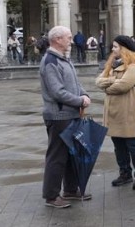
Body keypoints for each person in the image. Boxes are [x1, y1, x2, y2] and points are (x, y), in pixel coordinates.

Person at [39, 25, 91, 208]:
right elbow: (57, 92)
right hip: (59, 116)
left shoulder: (63, 59)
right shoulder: (50, 61)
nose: (71, 40)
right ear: (57, 40)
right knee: (57, 156)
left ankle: (70, 189)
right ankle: (51, 196)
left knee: (71, 154)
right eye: (68, 37)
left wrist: (84, 95)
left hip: (70, 114)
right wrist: (79, 101)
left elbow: (75, 83)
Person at [95, 35, 135, 191]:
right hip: (114, 112)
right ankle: (125, 173)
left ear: (124, 49)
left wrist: (108, 85)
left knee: (133, 144)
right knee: (118, 145)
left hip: (128, 111)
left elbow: (123, 86)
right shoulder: (111, 65)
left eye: (116, 47)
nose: (113, 49)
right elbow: (98, 81)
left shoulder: (133, 67)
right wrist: (111, 82)